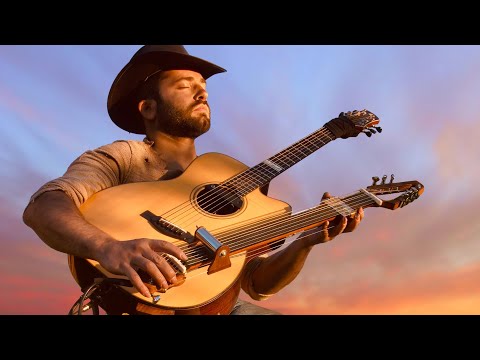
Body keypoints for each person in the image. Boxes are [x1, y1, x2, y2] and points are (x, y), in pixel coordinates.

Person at [22, 45, 364, 315]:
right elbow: (45, 206)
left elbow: (255, 281)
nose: (202, 94)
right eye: (185, 87)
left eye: (203, 88)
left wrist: (306, 240)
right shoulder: (122, 155)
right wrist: (107, 247)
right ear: (149, 109)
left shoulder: (227, 173)